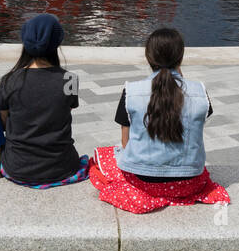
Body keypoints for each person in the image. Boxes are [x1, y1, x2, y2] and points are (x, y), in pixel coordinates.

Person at [89, 28, 229, 213]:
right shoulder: (200, 92)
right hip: (189, 182)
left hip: (143, 183)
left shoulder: (131, 91)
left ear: (148, 57)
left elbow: (126, 144)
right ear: (180, 57)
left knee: (105, 155)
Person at [0, 14, 89, 187]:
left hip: (17, 166)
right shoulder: (69, 79)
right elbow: (64, 112)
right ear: (56, 44)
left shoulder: (9, 80)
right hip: (61, 166)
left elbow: (3, 120)